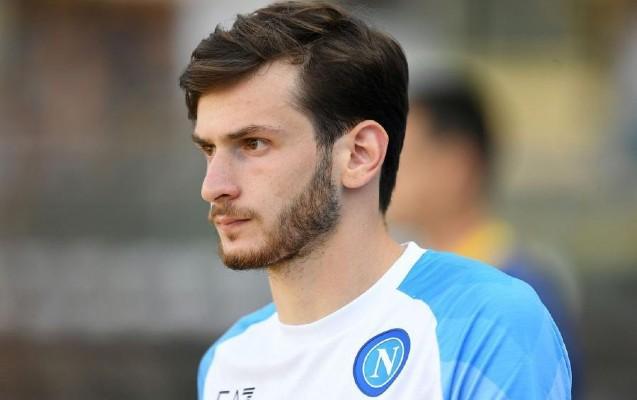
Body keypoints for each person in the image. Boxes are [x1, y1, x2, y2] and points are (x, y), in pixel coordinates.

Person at [179, 2, 571, 399]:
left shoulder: (484, 321)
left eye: (254, 144)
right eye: (209, 149)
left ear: (359, 155)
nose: (213, 186)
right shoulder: (226, 362)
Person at [389, 74, 582, 396]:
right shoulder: (412, 283)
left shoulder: (519, 291)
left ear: (456, 165)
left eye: (402, 156)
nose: (384, 171)